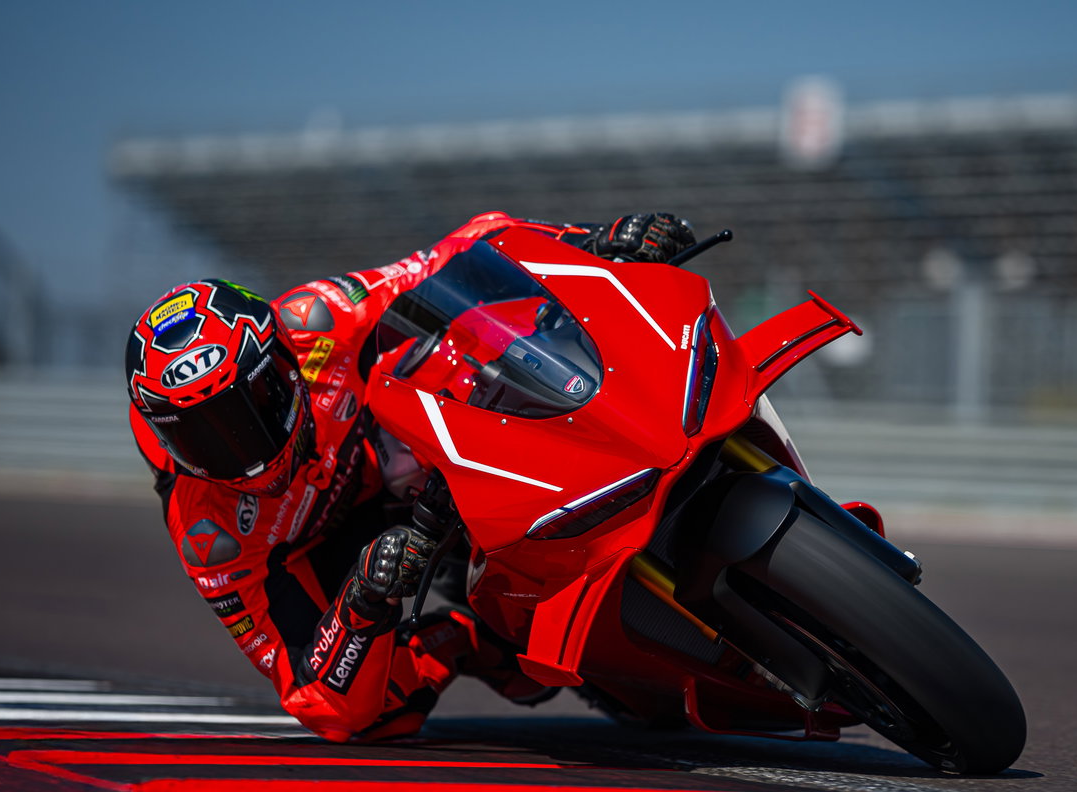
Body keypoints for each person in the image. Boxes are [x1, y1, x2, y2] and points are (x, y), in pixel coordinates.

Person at [126, 211, 697, 742]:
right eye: (203, 437)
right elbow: (310, 697)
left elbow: (458, 252)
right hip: (342, 555)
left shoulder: (319, 321)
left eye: (252, 404)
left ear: (281, 359)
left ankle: (609, 446)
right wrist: (364, 599)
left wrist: (593, 241)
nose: (240, 448)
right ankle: (463, 638)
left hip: (400, 448)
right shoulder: (210, 534)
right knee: (373, 720)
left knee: (467, 333)